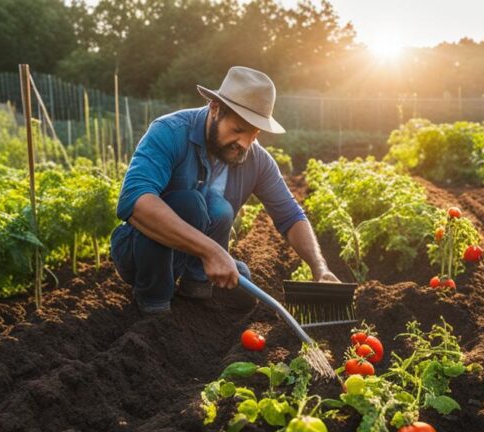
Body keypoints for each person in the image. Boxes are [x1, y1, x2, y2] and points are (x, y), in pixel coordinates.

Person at [109, 66, 339, 314]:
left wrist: (320, 267)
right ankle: (154, 300)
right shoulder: (170, 132)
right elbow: (135, 202)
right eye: (238, 129)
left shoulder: (256, 159)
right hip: (142, 254)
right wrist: (212, 251)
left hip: (194, 258)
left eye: (252, 134)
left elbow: (291, 216)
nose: (244, 143)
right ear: (215, 109)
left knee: (222, 214)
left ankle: (196, 285)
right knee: (190, 203)